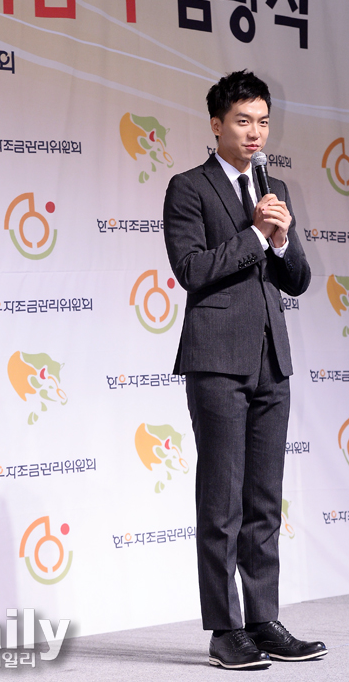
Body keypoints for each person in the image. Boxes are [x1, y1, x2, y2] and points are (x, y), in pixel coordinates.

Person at [163, 70, 327, 670]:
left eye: (262, 121)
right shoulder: (188, 187)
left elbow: (298, 280)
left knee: (263, 501)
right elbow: (192, 269)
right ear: (216, 125)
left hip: (270, 361)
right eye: (243, 121)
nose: (255, 132)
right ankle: (225, 629)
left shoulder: (272, 185)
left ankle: (262, 619)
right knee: (222, 502)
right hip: (216, 362)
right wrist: (257, 234)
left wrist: (281, 242)